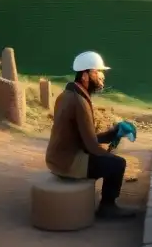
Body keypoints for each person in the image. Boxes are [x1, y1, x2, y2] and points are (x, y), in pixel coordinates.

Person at [45, 51, 136, 220]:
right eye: (97, 72)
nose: (101, 76)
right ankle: (107, 207)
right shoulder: (79, 102)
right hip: (68, 163)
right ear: (85, 75)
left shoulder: (67, 95)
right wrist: (109, 154)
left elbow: (85, 136)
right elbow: (91, 145)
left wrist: (113, 133)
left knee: (109, 160)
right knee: (117, 164)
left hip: (56, 158)